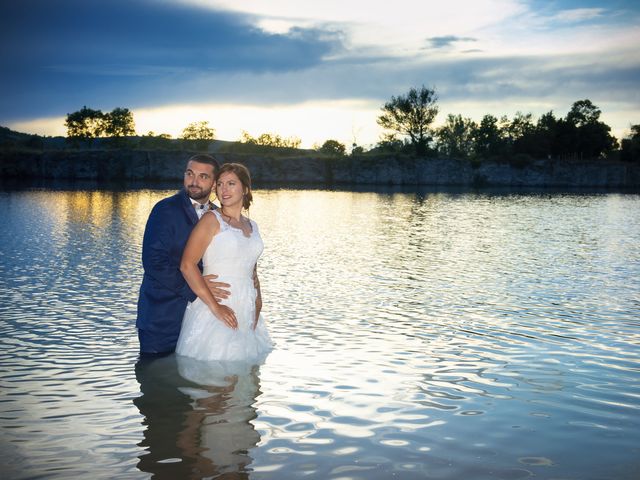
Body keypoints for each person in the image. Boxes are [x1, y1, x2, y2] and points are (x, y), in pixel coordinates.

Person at [176, 163, 272, 362]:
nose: (224, 190)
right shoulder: (211, 220)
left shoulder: (252, 225)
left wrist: (259, 299)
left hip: (246, 307)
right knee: (217, 377)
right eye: (219, 184)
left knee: (245, 379)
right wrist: (216, 308)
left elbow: (252, 267)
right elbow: (187, 264)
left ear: (245, 188)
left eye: (231, 183)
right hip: (217, 304)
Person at [136, 154, 230, 355]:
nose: (194, 182)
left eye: (203, 177)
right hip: (162, 316)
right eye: (190, 174)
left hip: (202, 317)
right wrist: (196, 288)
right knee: (156, 377)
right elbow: (154, 262)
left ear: (214, 183)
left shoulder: (218, 215)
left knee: (195, 378)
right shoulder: (165, 209)